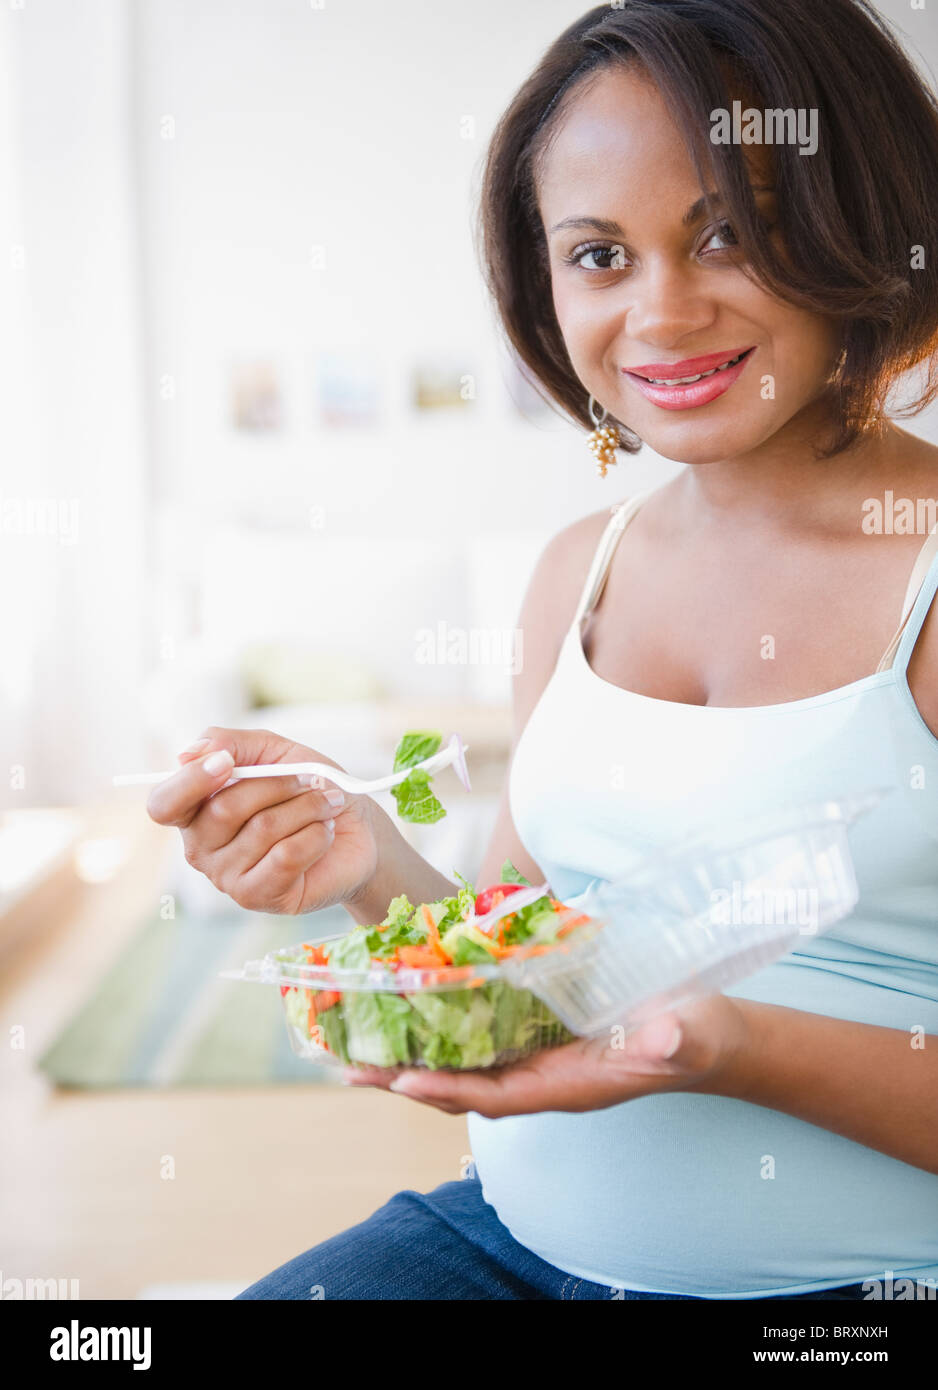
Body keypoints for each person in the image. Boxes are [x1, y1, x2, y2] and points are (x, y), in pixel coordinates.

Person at [147, 0, 938, 1299]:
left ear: (860, 209)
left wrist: (725, 1046)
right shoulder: (580, 569)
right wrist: (365, 861)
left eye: (726, 234)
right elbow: (530, 965)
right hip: (507, 1244)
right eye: (597, 255)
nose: (661, 313)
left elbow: (658, 1029)